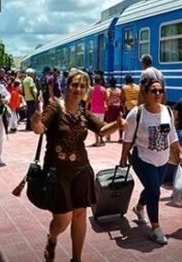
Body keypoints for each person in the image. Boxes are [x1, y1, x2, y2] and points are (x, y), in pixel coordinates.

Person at [32, 69, 126, 262]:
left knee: (80, 213)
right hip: (58, 173)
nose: (78, 89)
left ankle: (76, 259)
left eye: (83, 86)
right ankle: (52, 238)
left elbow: (102, 129)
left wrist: (118, 125)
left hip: (81, 171)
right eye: (75, 84)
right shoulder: (55, 107)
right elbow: (40, 129)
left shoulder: (84, 112)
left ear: (87, 89)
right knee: (63, 218)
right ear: (67, 86)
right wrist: (35, 120)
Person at [119, 79, 182, 245]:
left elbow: (172, 135)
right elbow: (127, 139)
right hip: (142, 158)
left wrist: (179, 152)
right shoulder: (136, 113)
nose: (157, 94)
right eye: (153, 91)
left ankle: (139, 207)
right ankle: (155, 229)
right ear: (145, 93)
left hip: (162, 160)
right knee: (155, 192)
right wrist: (122, 158)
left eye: (160, 91)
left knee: (152, 187)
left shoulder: (167, 111)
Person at [89, 75, 106, 146]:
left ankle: (97, 141)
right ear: (101, 81)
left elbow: (89, 98)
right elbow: (106, 99)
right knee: (101, 125)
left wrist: (86, 106)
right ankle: (102, 139)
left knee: (95, 126)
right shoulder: (104, 89)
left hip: (94, 109)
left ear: (94, 81)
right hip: (102, 109)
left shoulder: (92, 89)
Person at [104, 76, 122, 142]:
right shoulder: (119, 90)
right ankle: (120, 137)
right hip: (117, 107)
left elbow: (107, 98)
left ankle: (108, 136)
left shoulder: (108, 90)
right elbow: (121, 98)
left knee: (109, 122)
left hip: (110, 108)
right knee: (119, 122)